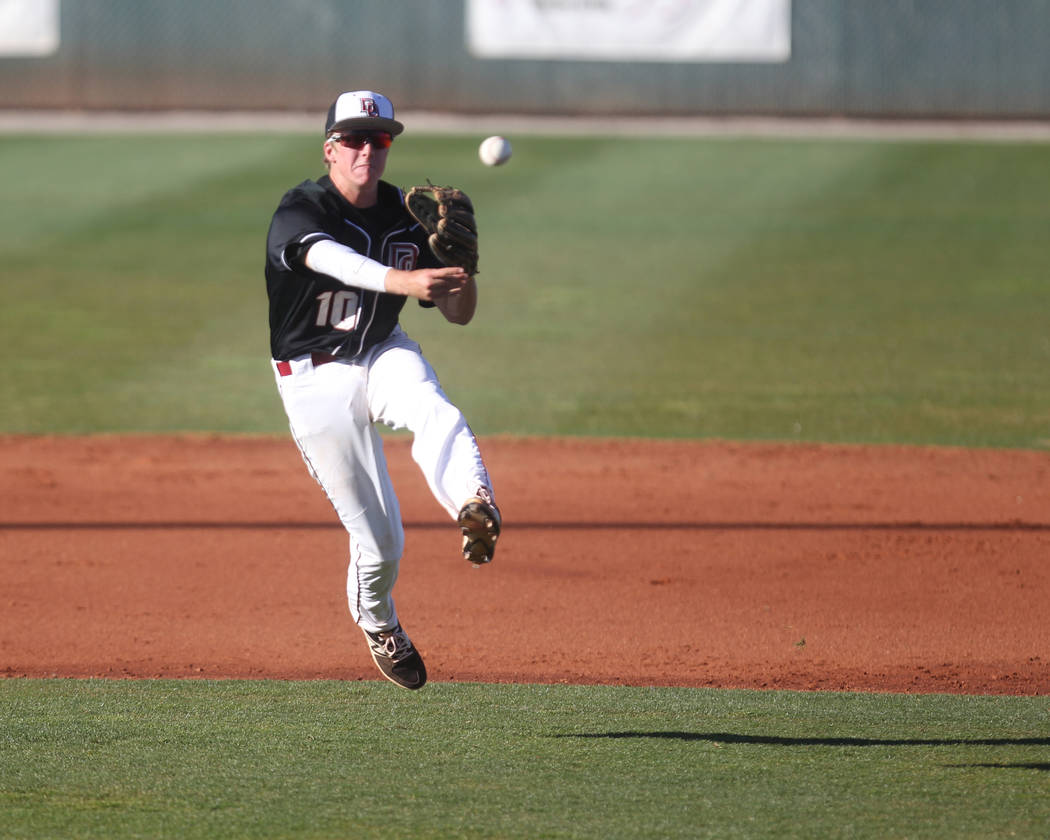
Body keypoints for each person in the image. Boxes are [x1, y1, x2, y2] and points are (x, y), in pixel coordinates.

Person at [264, 90, 501, 690]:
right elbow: (335, 262)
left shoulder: (405, 215)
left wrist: (465, 270)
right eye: (353, 138)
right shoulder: (302, 210)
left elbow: (458, 314)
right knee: (381, 542)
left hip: (380, 350)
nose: (366, 149)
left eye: (379, 138)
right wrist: (405, 277)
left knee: (433, 408)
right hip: (313, 380)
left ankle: (475, 503)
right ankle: (379, 621)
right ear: (330, 149)